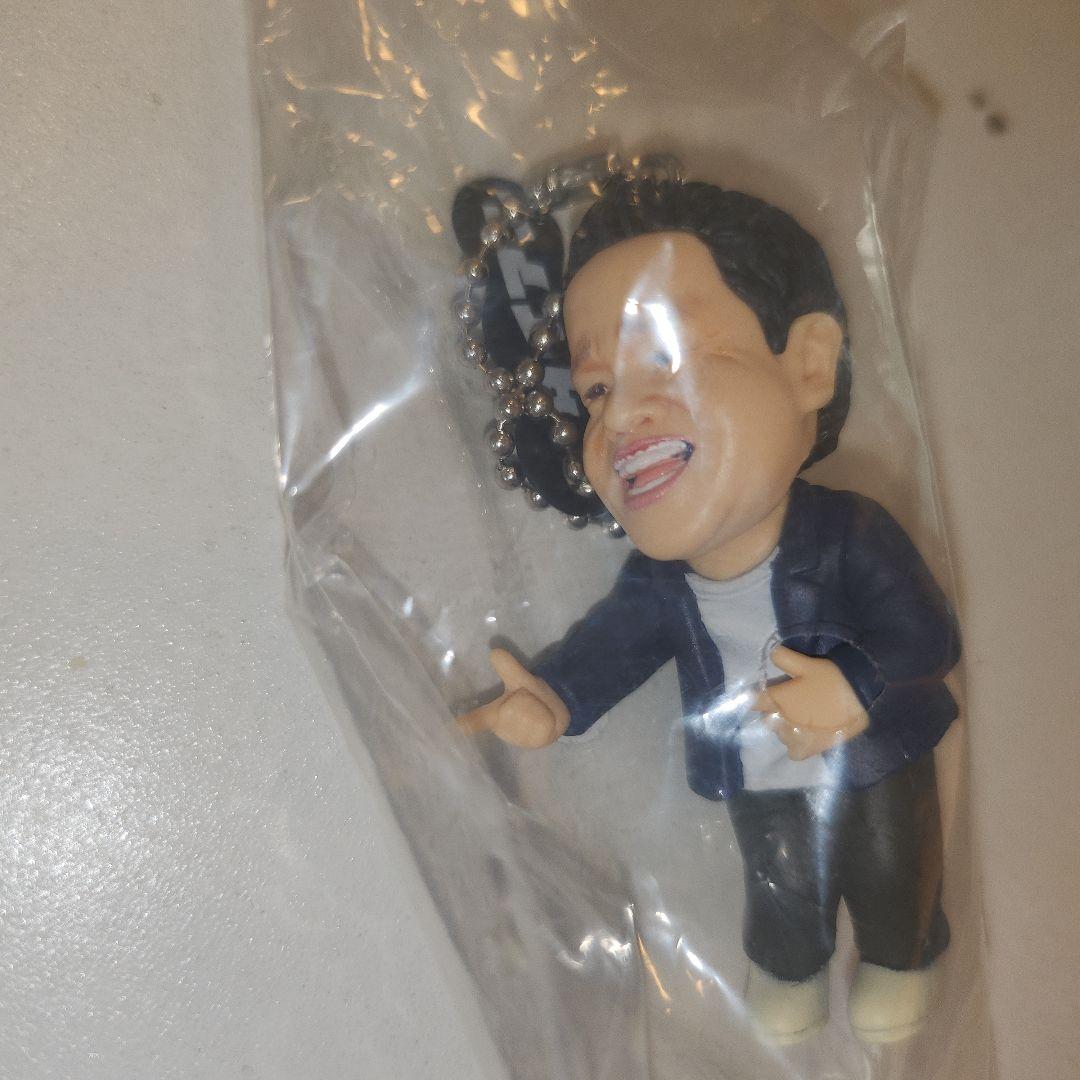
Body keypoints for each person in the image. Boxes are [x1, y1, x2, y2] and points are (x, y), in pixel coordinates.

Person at [459, 177, 959, 1045]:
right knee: (780, 886)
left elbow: (926, 632)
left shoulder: (850, 533)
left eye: (668, 357)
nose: (623, 416)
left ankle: (901, 955)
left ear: (807, 364)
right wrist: (556, 697)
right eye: (597, 391)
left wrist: (855, 683)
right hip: (756, 771)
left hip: (876, 755)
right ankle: (789, 968)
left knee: (892, 869)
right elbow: (614, 646)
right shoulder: (662, 583)